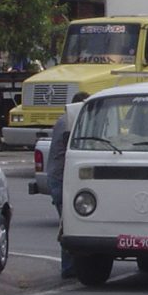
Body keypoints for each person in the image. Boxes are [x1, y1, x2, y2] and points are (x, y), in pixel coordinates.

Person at [48, 91, 89, 279]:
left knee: (68, 223)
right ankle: (69, 268)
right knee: (69, 225)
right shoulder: (69, 123)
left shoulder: (64, 121)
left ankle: (71, 266)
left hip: (58, 178)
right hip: (61, 179)